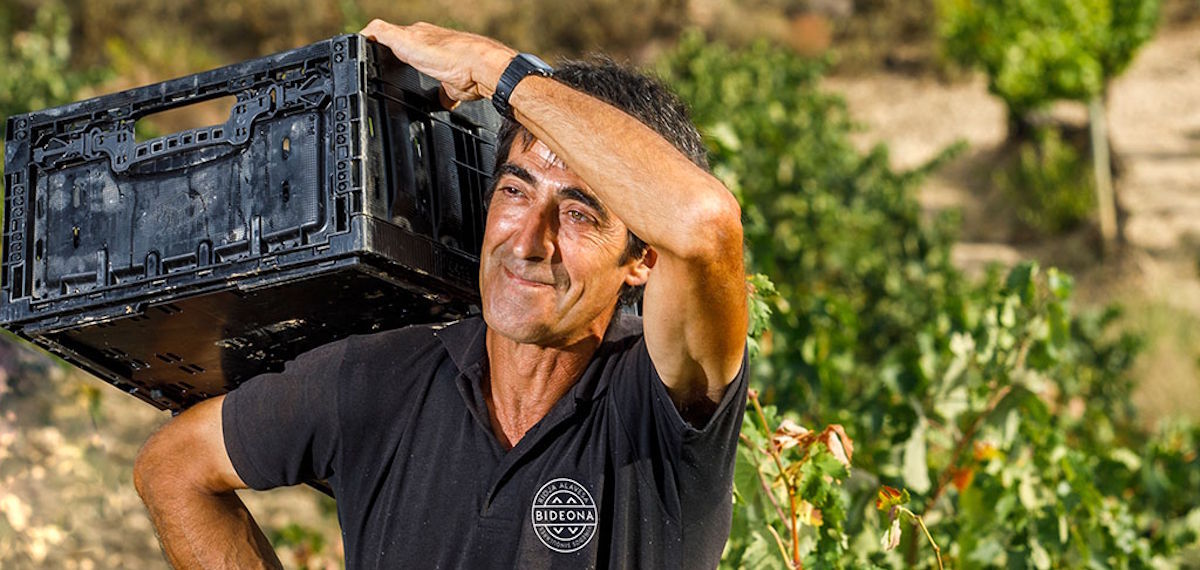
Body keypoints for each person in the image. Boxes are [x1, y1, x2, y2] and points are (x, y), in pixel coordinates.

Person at [133, 20, 748, 569]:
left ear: (643, 259)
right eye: (515, 191)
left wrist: (494, 69)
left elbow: (704, 224)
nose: (527, 241)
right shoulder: (381, 380)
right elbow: (174, 467)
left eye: (579, 214)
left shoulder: (663, 410)